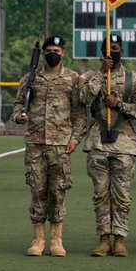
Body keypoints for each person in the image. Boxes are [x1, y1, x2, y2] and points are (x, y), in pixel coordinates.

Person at [75, 34, 136, 257]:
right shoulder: (90, 76)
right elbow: (85, 98)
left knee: (121, 194)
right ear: (101, 53)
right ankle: (103, 239)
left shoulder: (134, 79)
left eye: (115, 48)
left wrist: (119, 105)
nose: (111, 52)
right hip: (98, 143)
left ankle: (120, 240)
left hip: (123, 144)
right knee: (100, 194)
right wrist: (101, 73)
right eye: (107, 48)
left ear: (122, 52)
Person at [11, 35, 85, 257]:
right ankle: (38, 240)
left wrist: (74, 140)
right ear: (43, 53)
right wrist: (18, 117)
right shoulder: (31, 78)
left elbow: (80, 114)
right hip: (35, 143)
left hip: (60, 145)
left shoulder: (72, 79)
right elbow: (17, 105)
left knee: (58, 191)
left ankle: (56, 240)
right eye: (49, 50)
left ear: (63, 52)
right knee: (37, 190)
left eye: (57, 50)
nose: (53, 53)